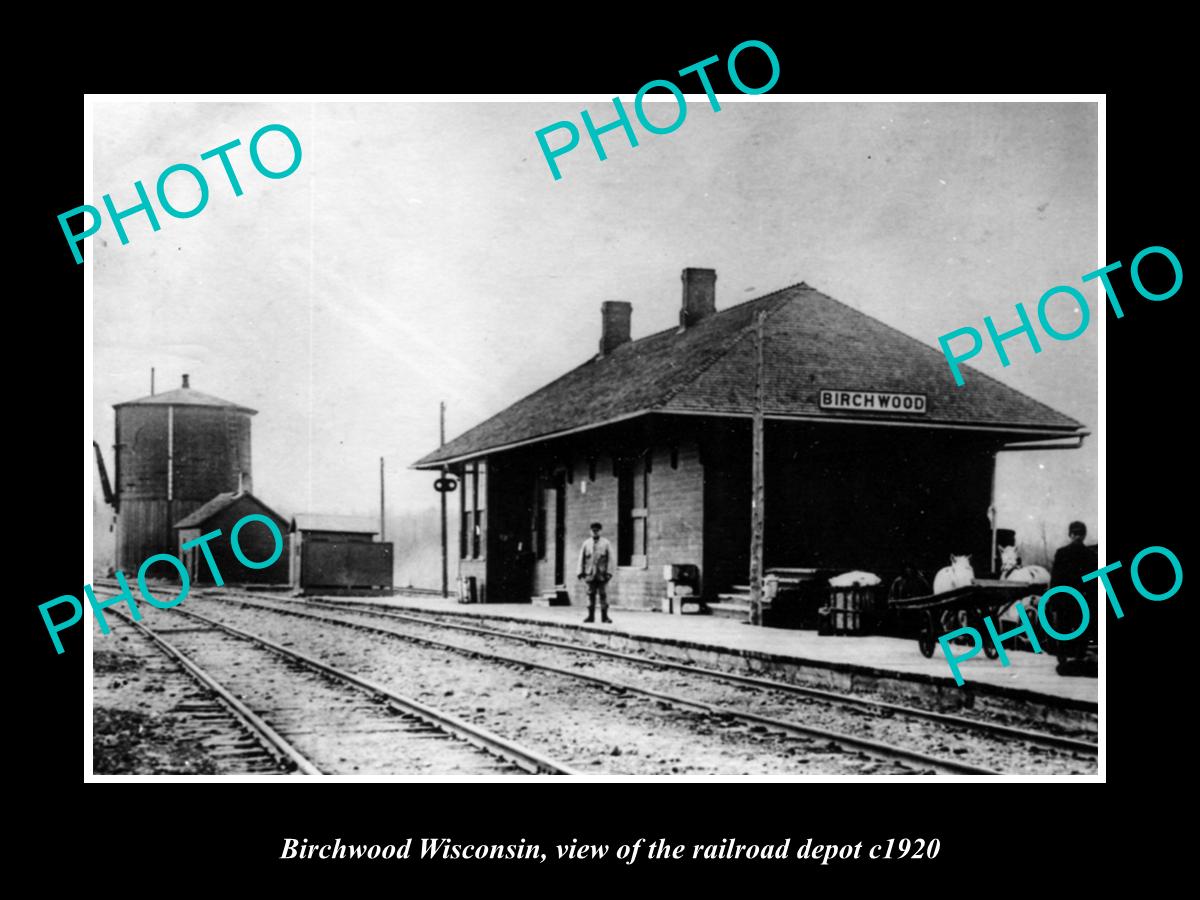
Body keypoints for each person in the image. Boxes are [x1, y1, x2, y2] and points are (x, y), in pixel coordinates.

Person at [1049, 521, 1098, 667]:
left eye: (1080, 534)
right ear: (1070, 535)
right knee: (1066, 627)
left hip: (1079, 598)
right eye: (1075, 533)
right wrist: (1054, 598)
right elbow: (1056, 578)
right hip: (1069, 597)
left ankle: (1077, 656)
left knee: (1078, 627)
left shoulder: (1090, 555)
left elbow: (1094, 579)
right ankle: (1065, 656)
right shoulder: (1064, 553)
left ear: (1084, 536)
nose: (1077, 537)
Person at [577, 521, 614, 623]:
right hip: (590, 574)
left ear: (600, 531)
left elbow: (610, 559)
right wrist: (580, 572)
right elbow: (582, 558)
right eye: (593, 531)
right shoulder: (586, 543)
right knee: (590, 595)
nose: (595, 533)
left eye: (597, 531)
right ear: (590, 531)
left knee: (604, 595)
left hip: (602, 575)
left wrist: (609, 573)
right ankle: (590, 616)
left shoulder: (606, 543)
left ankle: (605, 617)